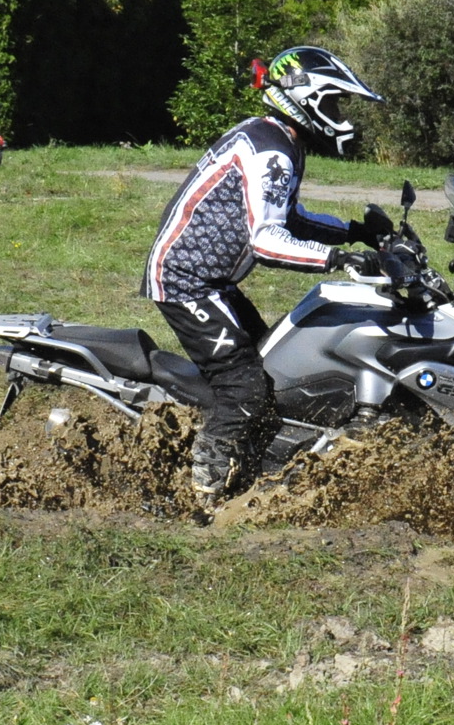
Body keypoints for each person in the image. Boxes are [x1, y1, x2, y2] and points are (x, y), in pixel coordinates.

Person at [143, 46, 388, 509]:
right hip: (187, 280)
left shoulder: (277, 137)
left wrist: (357, 232)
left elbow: (290, 218)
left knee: (272, 370)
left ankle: (253, 469)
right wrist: (338, 259)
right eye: (333, 103)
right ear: (307, 99)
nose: (339, 116)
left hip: (211, 280)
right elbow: (267, 241)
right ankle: (204, 495)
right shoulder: (270, 148)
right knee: (244, 388)